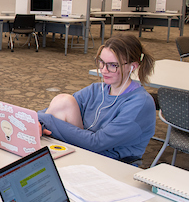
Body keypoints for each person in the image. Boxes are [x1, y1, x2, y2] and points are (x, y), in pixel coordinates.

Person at [38, 34, 156, 162]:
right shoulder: (97, 89)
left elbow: (96, 143)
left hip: (112, 163)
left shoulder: (140, 103)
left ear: (132, 66)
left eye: (112, 65)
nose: (104, 70)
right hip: (84, 152)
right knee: (62, 101)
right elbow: (58, 108)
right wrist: (38, 122)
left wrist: (46, 121)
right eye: (101, 62)